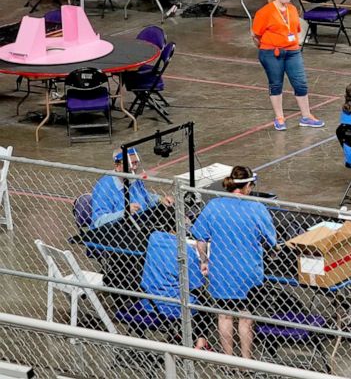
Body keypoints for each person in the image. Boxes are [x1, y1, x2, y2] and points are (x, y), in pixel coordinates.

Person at [191, 166, 277, 359]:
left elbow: (200, 239)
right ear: (247, 185)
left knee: (224, 316)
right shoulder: (257, 208)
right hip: (248, 273)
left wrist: (204, 261)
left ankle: (228, 359)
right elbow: (271, 241)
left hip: (222, 272)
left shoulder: (213, 206)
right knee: (245, 318)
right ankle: (246, 361)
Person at [251, 0, 324, 130]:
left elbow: (295, 29)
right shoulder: (265, 12)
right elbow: (256, 34)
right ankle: (279, 117)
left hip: (292, 51)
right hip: (272, 52)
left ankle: (306, 116)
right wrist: (265, 46)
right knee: (276, 84)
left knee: (300, 83)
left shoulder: (292, 9)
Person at [138, 231, 210, 350]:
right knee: (204, 302)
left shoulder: (153, 239)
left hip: (148, 301)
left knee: (186, 294)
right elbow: (195, 284)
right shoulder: (186, 249)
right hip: (173, 305)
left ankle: (183, 334)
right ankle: (200, 343)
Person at [91, 148, 173, 228]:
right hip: (117, 229)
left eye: (136, 163)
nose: (134, 168)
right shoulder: (105, 187)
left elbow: (145, 196)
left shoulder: (133, 178)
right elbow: (98, 221)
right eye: (131, 164)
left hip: (140, 222)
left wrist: (160, 199)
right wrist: (124, 212)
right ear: (117, 166)